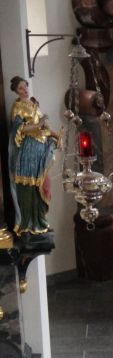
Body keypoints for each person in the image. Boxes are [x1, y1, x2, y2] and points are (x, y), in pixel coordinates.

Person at [8, 76, 59, 238]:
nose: (25, 90)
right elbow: (19, 129)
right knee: (29, 185)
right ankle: (27, 225)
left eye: (26, 87)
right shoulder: (18, 107)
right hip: (29, 149)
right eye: (21, 88)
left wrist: (57, 136)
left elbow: (44, 127)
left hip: (40, 148)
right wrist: (38, 124)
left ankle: (40, 221)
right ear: (16, 91)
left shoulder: (33, 104)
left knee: (41, 184)